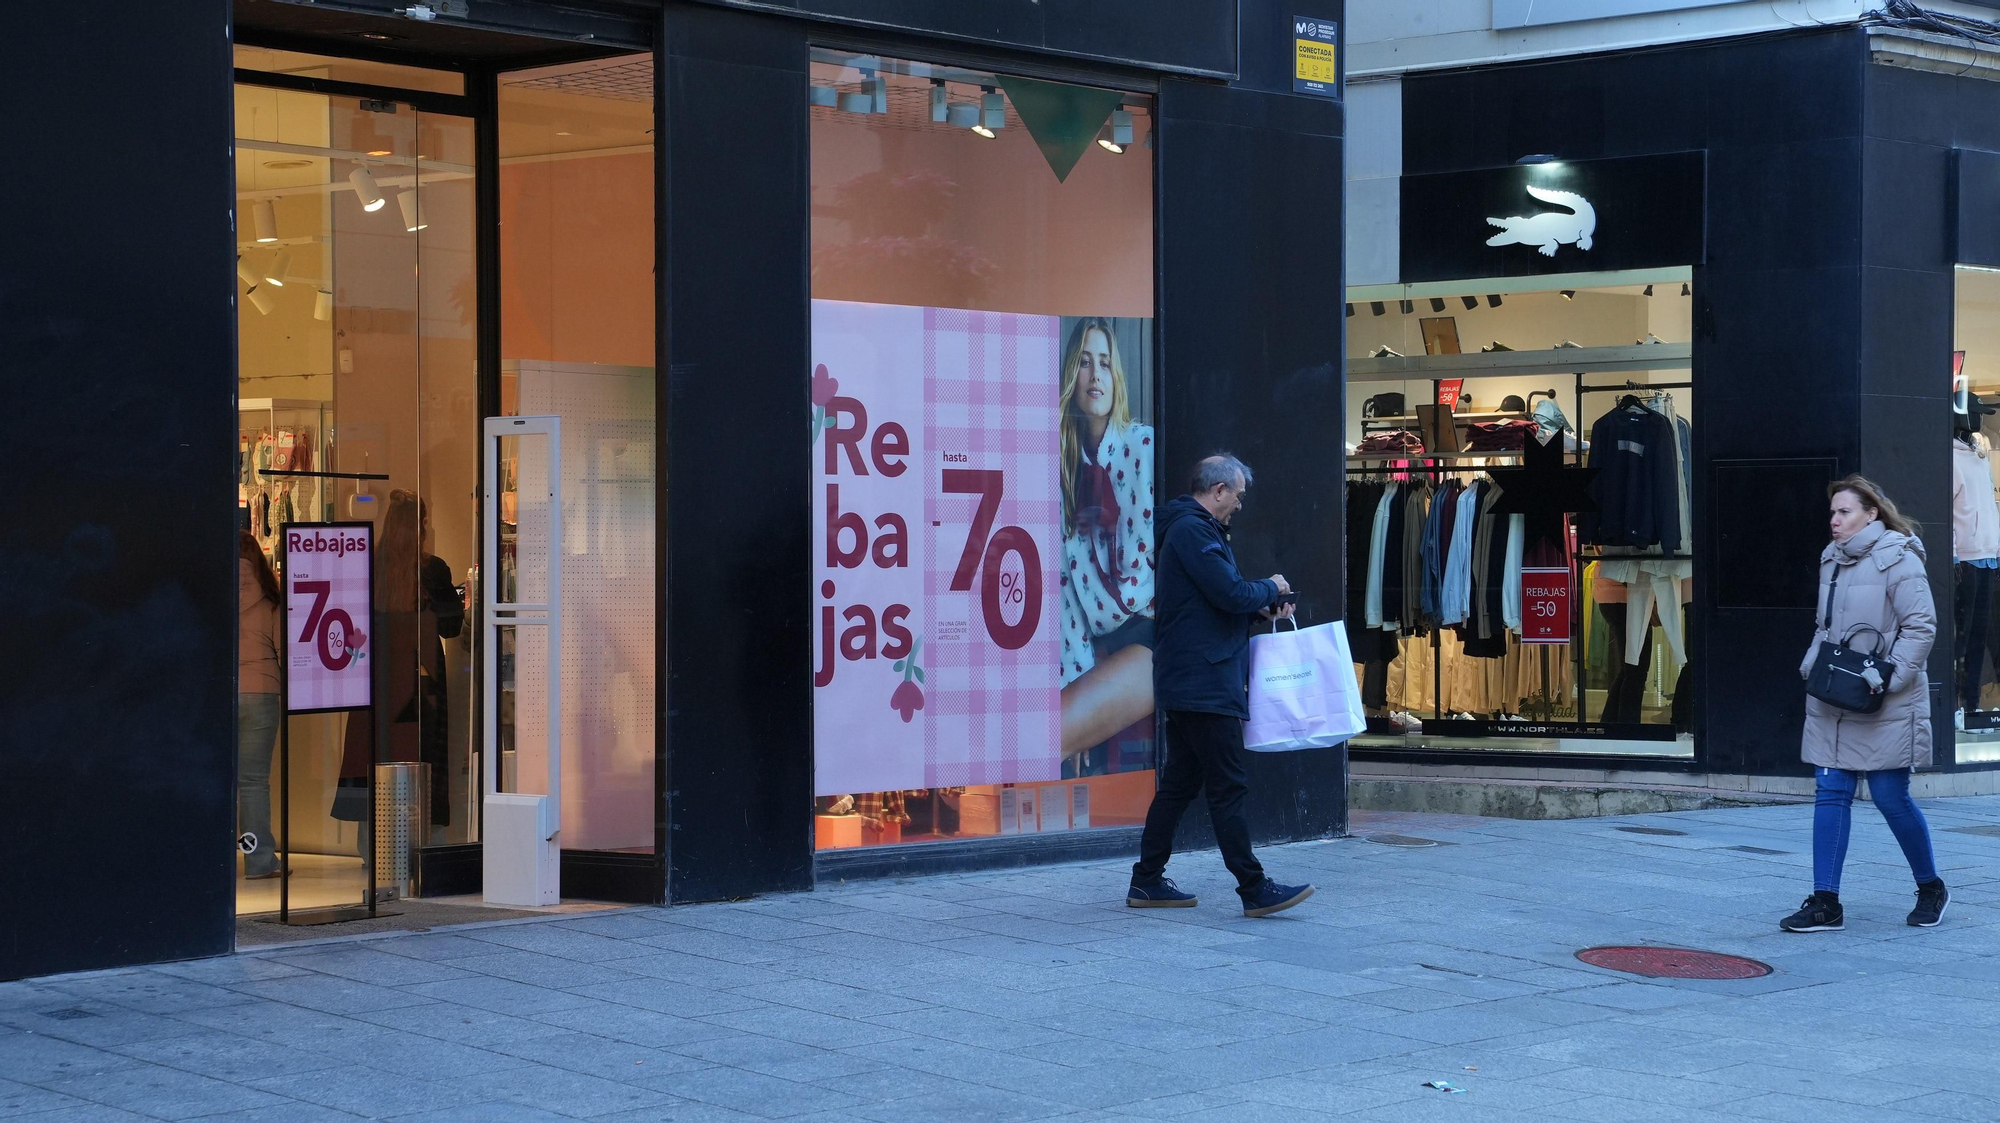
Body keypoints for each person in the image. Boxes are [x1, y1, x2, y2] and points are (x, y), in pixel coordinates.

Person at [1127, 454, 1315, 918]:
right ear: (1217, 491)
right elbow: (1228, 592)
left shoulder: (1192, 530)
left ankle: (1147, 880)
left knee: (1178, 787)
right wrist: (1269, 588)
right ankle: (1253, 888)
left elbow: (1211, 607)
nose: (1239, 506)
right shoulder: (1194, 531)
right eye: (1238, 496)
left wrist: (1259, 611)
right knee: (1227, 787)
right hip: (1205, 682)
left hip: (1193, 677)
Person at [1784, 476, 1949, 932]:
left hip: (1884, 696)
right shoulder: (1830, 560)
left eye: (1845, 512)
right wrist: (1812, 664)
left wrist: (1889, 677)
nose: (1834, 521)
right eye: (1832, 513)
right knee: (1831, 791)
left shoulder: (1899, 558)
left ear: (1871, 514)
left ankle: (1930, 886)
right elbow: (1825, 626)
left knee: (1889, 796)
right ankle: (1825, 901)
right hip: (1833, 691)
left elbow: (1921, 628)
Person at [1057, 318, 1156, 764]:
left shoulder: (1144, 448)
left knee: (1051, 734)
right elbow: (1064, 590)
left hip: (1152, 630)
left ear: (1115, 375)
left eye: (1104, 362)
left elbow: (1157, 558)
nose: (1095, 375)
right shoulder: (1061, 470)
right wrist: (1074, 677)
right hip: (1098, 641)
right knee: (1052, 728)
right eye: (1083, 362)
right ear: (1070, 377)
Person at [237, 531, 284, 880]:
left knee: (216, 781)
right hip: (262, 694)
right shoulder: (270, 600)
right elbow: (285, 652)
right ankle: (259, 860)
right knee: (253, 783)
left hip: (220, 694)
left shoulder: (208, 591)